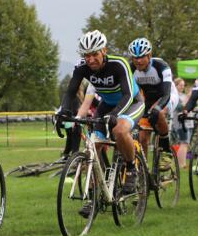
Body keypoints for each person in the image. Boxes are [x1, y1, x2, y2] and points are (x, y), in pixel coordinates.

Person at [58, 30, 144, 207]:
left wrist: (114, 115)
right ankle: (93, 195)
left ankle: (131, 167)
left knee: (119, 130)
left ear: (104, 50)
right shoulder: (82, 67)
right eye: (86, 55)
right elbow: (71, 91)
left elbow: (128, 95)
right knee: (92, 147)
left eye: (94, 54)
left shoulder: (119, 64)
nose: (90, 60)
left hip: (131, 103)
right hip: (107, 105)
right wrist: (64, 112)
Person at [127, 37, 179, 157]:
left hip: (168, 96)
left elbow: (166, 94)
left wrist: (158, 108)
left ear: (149, 55)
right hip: (149, 100)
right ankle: (142, 171)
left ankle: (166, 152)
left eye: (141, 57)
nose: (138, 61)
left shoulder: (161, 66)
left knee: (159, 112)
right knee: (143, 138)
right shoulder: (131, 68)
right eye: (135, 57)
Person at [172, 77, 193, 169]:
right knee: (184, 143)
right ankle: (182, 165)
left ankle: (181, 164)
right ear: (175, 86)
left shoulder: (182, 95)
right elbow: (181, 107)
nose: (182, 87)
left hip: (187, 122)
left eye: (183, 85)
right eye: (180, 85)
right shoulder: (175, 96)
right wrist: (189, 96)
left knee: (184, 143)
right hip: (180, 123)